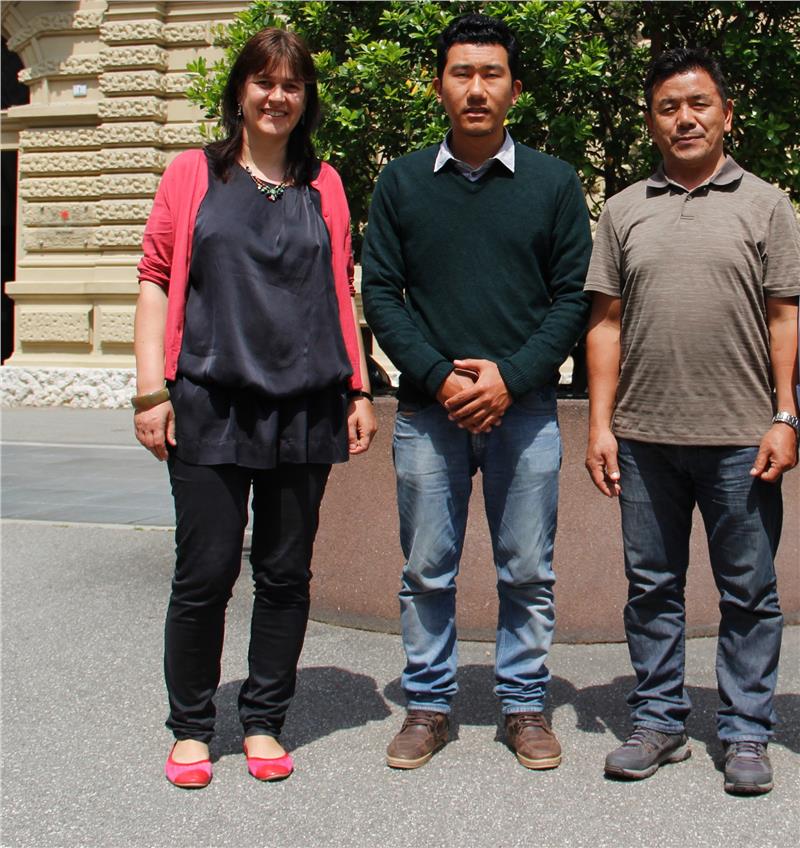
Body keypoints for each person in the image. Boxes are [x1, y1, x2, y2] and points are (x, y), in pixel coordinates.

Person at [133, 27, 377, 789]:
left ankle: (265, 718)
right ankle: (192, 727)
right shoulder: (192, 173)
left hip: (306, 404)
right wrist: (150, 389)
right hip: (209, 400)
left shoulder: (324, 182)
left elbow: (339, 289)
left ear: (306, 99)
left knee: (284, 574)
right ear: (239, 92)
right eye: (264, 82)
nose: (277, 97)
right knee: (205, 573)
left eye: (291, 85)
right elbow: (155, 277)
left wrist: (359, 386)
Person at [362, 14, 591, 770]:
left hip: (525, 411)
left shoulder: (554, 183)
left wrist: (510, 378)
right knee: (426, 571)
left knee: (527, 570)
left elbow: (572, 299)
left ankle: (524, 705)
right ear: (439, 87)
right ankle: (428, 705)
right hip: (429, 413)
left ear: (514, 89)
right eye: (462, 73)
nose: (476, 88)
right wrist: (438, 376)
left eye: (492, 74)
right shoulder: (401, 182)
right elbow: (382, 294)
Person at [584, 47, 799, 795]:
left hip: (743, 437)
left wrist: (786, 415)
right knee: (651, 587)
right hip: (645, 438)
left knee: (748, 593)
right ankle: (658, 720)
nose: (685, 118)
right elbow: (605, 323)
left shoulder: (767, 205)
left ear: (726, 114)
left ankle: (745, 730)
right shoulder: (622, 210)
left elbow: (784, 316)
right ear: (652, 122)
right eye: (669, 107)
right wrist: (600, 425)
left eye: (699, 103)